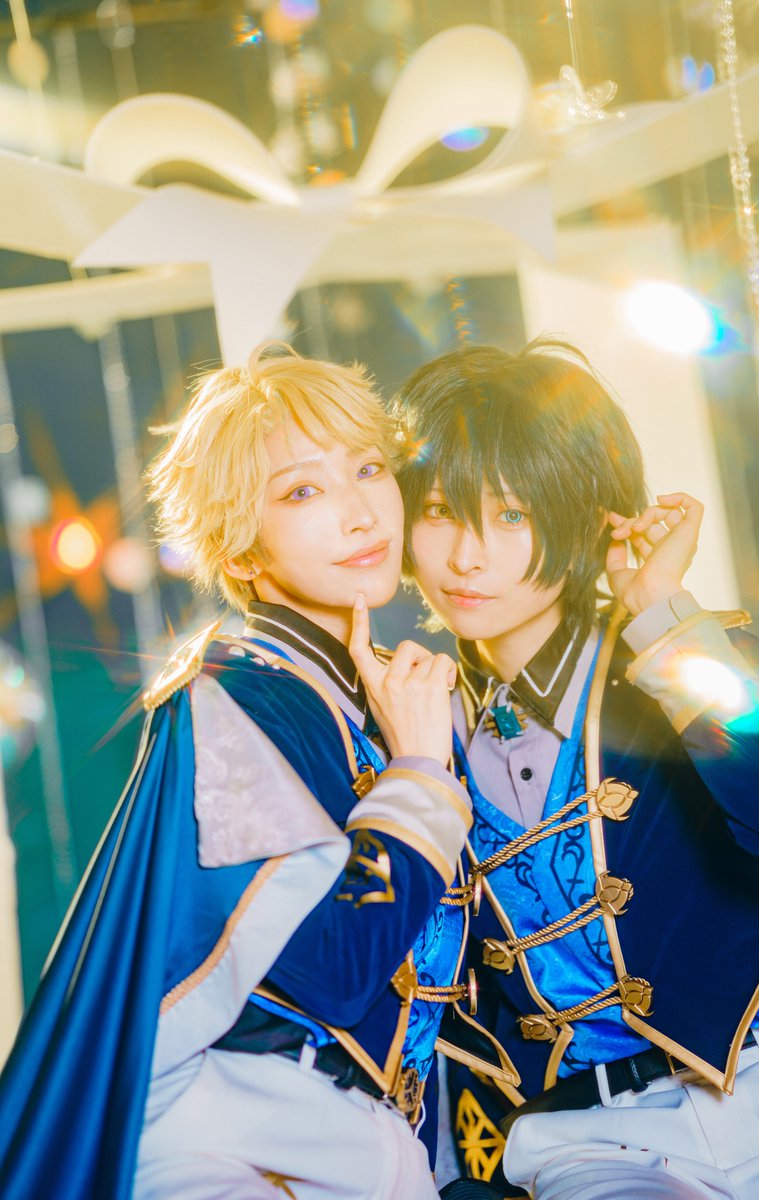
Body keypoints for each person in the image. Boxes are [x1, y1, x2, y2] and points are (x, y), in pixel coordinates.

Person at [0, 343, 480, 1200]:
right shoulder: (229, 696)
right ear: (241, 552)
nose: (359, 511)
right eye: (301, 491)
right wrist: (417, 773)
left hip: (366, 1150)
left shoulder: (369, 697)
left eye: (368, 468)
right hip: (224, 1148)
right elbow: (335, 967)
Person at [395, 338, 759, 1200]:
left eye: (511, 515)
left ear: (586, 514)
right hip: (590, 1142)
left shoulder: (684, 651)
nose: (467, 557)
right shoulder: (414, 723)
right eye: (437, 511)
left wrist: (661, 617)